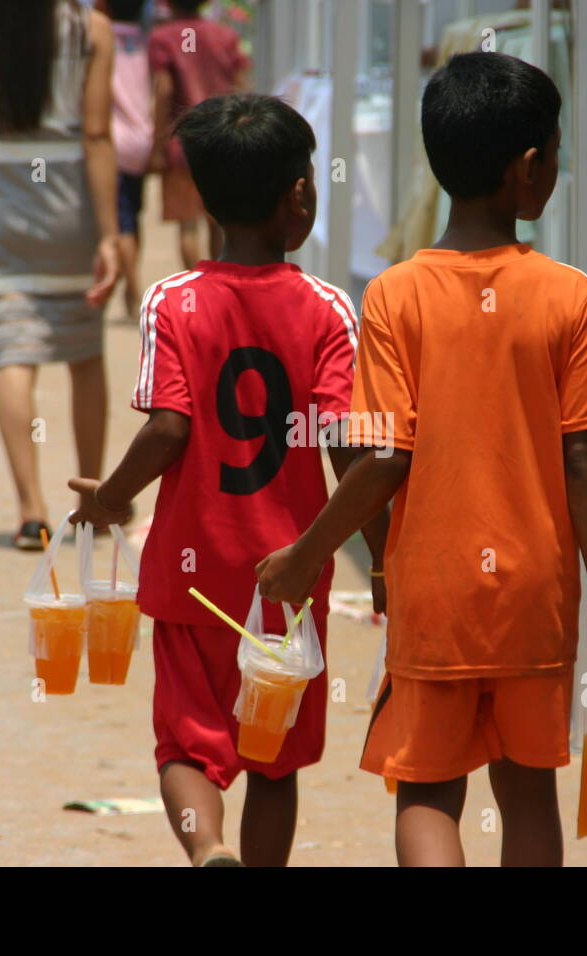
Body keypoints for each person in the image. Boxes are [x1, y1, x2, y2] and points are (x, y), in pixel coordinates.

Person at [256, 53, 587, 867]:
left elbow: (382, 462)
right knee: (528, 789)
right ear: (530, 169)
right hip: (536, 596)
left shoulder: (395, 295)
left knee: (428, 793)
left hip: (435, 591)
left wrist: (307, 555)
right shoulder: (568, 294)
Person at [68, 93, 388, 867]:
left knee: (185, 746)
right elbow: (351, 451)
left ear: (206, 201)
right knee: (274, 761)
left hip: (190, 573)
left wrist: (111, 499)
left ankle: (208, 847)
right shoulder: (328, 309)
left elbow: (169, 427)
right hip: (290, 571)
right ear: (300, 197)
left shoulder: (172, 301)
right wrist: (381, 559)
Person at [0, 0, 122, 549]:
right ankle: (92, 501)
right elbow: (97, 135)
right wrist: (108, 233)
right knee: (85, 353)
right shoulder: (89, 29)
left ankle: (30, 512)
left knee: (13, 354)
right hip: (67, 203)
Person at [147, 0, 248, 270]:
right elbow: (241, 86)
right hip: (224, 141)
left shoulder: (162, 37)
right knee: (219, 224)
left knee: (187, 226)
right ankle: (219, 287)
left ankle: (197, 290)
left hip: (183, 145)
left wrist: (157, 146)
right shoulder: (225, 36)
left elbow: (165, 92)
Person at [104, 0, 152, 320]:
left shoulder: (99, 38)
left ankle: (134, 291)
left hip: (113, 141)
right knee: (132, 217)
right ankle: (129, 288)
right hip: (142, 138)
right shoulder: (145, 41)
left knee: (119, 221)